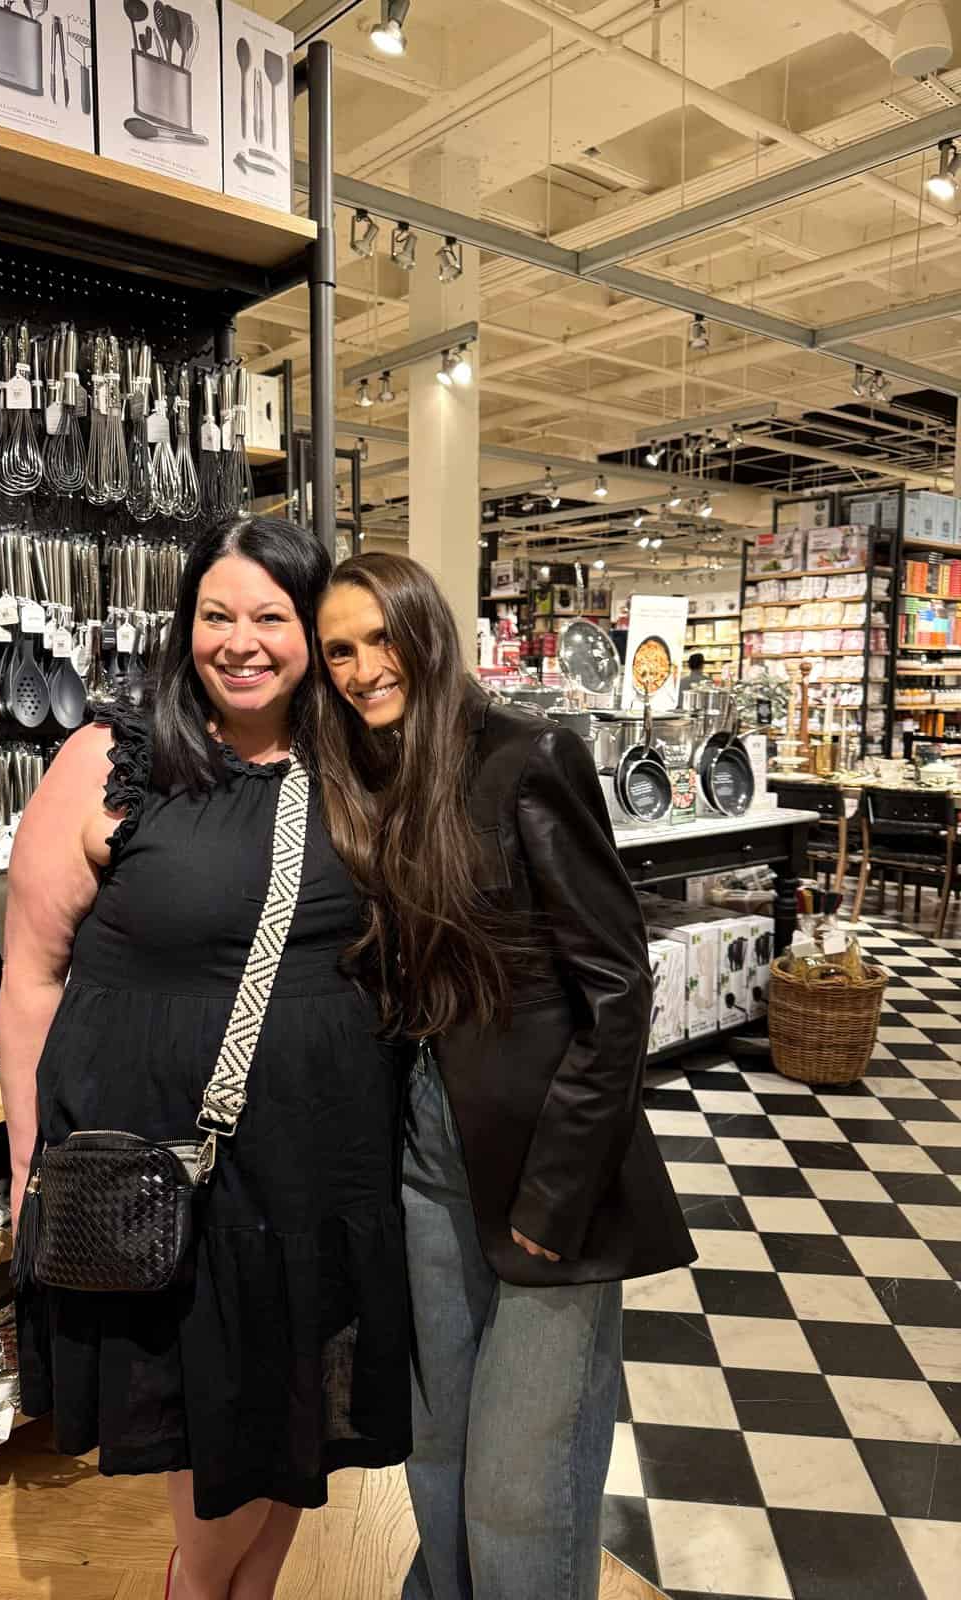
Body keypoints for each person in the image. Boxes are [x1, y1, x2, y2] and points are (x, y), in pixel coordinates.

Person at [0, 518, 411, 1600]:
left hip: (324, 1159)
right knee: (213, 1436)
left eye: (271, 616)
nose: (241, 642)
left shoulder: (358, 764)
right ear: (185, 624)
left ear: (311, 630)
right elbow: (31, 977)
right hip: (173, 1168)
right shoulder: (109, 760)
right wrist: (25, 1163)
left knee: (296, 1425)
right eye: (216, 615)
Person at [314, 553, 694, 1600]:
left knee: (522, 1483)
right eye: (339, 650)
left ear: (426, 630)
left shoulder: (529, 757)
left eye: (379, 637)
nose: (362, 667)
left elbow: (617, 987)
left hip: (546, 1164)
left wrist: (557, 1195)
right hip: (427, 1161)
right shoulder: (372, 777)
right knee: (436, 1450)